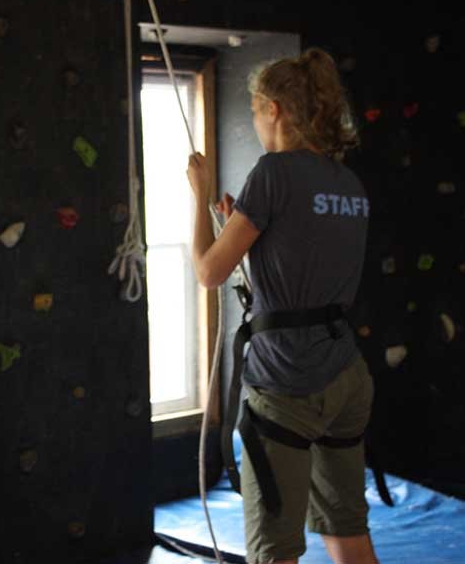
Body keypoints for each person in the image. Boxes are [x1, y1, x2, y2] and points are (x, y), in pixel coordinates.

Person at [187, 48, 379, 564]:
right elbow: (301, 268)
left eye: (254, 111)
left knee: (274, 552)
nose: (253, 122)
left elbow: (208, 272)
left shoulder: (273, 172)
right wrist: (243, 222)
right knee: (348, 532)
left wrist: (199, 197)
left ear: (272, 109)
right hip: (345, 375)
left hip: (289, 380)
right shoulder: (347, 183)